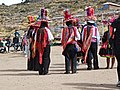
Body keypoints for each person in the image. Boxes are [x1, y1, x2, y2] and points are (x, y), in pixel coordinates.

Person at [61, 9, 81, 74]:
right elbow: (78, 37)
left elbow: (62, 38)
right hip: (73, 44)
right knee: (74, 58)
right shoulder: (74, 28)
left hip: (66, 45)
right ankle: (74, 70)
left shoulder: (64, 29)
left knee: (67, 58)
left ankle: (67, 70)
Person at [111, 14, 120, 87]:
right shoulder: (116, 22)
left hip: (117, 46)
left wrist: (111, 44)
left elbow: (111, 34)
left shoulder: (115, 22)